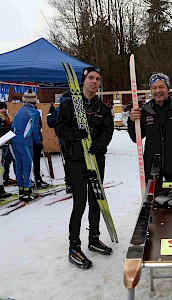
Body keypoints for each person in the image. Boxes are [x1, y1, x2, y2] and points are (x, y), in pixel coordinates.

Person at [56, 66, 114, 269]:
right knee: (79, 204)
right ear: (83, 80)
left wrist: (99, 145)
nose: (94, 82)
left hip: (96, 160)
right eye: (91, 78)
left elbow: (108, 131)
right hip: (76, 161)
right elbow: (60, 129)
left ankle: (94, 237)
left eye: (98, 79)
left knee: (96, 201)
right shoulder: (69, 105)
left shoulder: (103, 108)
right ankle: (74, 245)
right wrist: (75, 134)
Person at [127, 72, 172, 182]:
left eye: (161, 87)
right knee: (152, 197)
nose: (158, 91)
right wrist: (131, 121)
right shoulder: (145, 111)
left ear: (168, 88)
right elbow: (135, 138)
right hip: (152, 164)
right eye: (154, 88)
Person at [11, 89, 41, 201]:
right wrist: (38, 142)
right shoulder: (34, 113)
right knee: (27, 166)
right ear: (34, 101)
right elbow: (35, 130)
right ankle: (27, 192)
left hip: (15, 141)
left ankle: (20, 190)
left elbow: (13, 126)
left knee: (18, 165)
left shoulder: (18, 111)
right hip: (26, 142)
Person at [47, 92, 72, 193]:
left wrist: (50, 113)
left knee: (68, 163)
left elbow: (50, 123)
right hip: (76, 140)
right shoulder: (77, 108)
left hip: (63, 140)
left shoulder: (58, 109)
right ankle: (76, 183)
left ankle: (69, 184)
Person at [0, 102, 16, 185]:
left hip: (8, 142)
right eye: (1, 108)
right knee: (4, 161)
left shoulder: (7, 118)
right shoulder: (1, 119)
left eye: (5, 108)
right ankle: (3, 177)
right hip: (3, 142)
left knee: (9, 160)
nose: (4, 110)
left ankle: (6, 176)